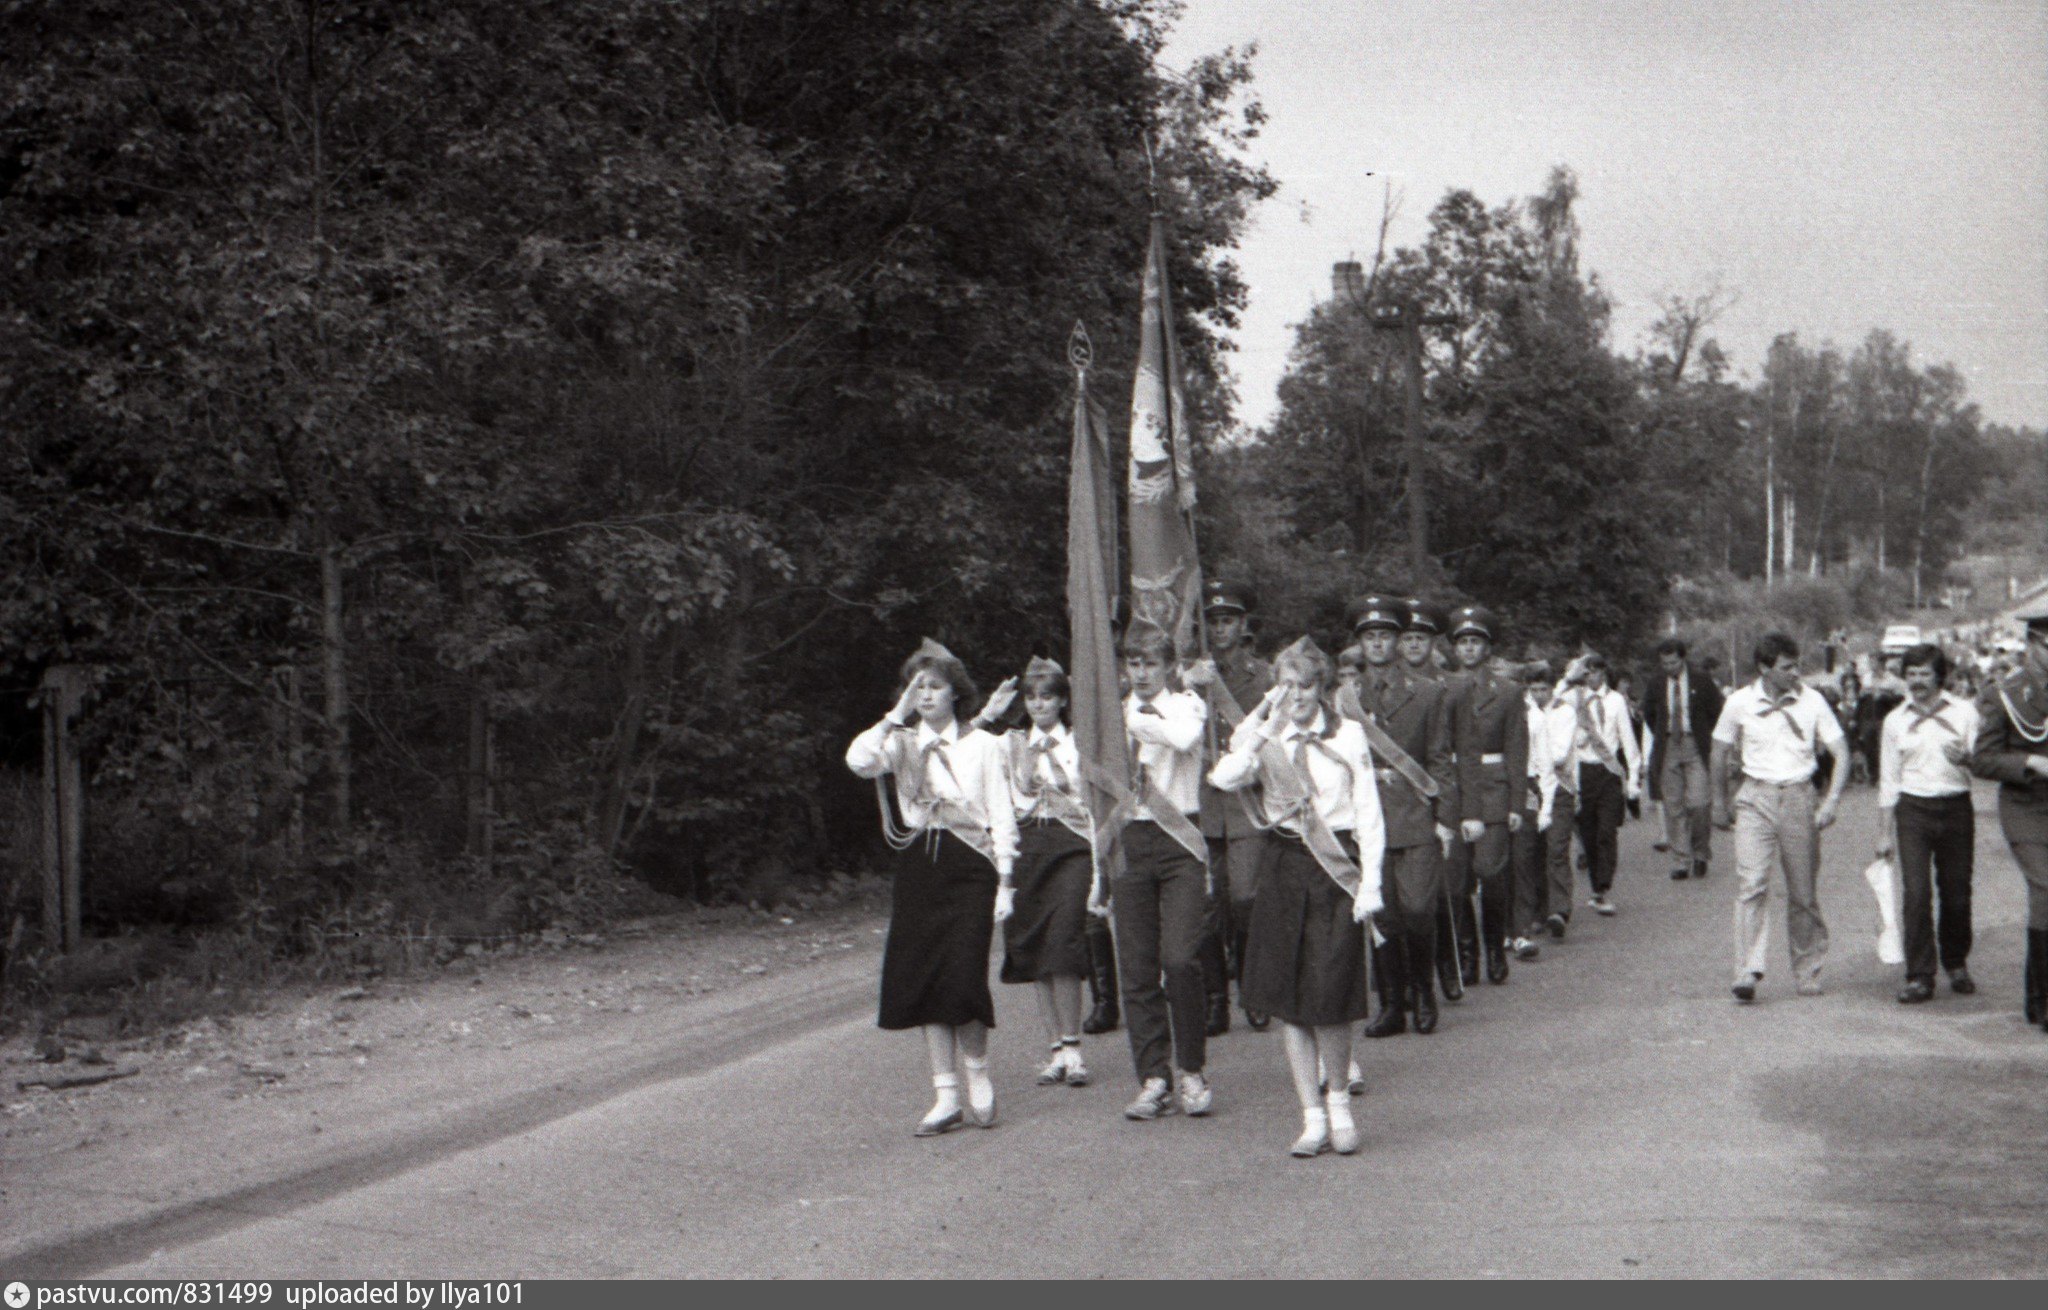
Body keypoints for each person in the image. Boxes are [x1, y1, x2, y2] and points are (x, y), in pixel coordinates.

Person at [1210, 638, 1386, 1157]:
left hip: (1336, 868)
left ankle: (1338, 1103)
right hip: (1285, 864)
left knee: (1330, 994)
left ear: (1323, 689)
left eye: (1305, 685)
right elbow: (1223, 778)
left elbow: (1369, 811)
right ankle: (1310, 1116)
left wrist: (1371, 884)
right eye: (1286, 685)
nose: (1296, 695)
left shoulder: (1349, 735)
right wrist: (1263, 721)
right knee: (1290, 1000)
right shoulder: (1266, 735)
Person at [845, 640, 1020, 1136]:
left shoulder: (983, 744)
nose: (925, 694)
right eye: (916, 686)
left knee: (963, 976)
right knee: (925, 977)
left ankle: (978, 1076)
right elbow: (858, 760)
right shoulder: (900, 743)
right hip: (921, 863)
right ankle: (945, 1096)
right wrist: (893, 714)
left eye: (934, 685)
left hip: (972, 866)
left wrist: (1006, 880)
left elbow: (1001, 815)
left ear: (954, 693)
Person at [1112, 621, 1216, 1119]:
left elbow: (1181, 738)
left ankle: (1192, 1068)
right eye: (1134, 663)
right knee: (1136, 966)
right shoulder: (1113, 711)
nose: (1142, 673)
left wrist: (1127, 724)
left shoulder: (1187, 703)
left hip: (1179, 838)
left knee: (1179, 958)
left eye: (1151, 663)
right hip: (1131, 836)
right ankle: (1154, 1076)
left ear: (1170, 667)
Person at [1711, 632, 1849, 1003]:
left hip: (1799, 797)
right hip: (1754, 797)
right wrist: (1718, 801)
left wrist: (1831, 800)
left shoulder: (1813, 701)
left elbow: (1841, 750)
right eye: (1788, 667)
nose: (1796, 673)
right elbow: (1720, 748)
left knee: (1802, 892)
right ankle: (1746, 970)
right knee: (1751, 884)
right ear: (1764, 669)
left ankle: (1807, 970)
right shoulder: (1739, 702)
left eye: (1797, 665)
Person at [984, 658, 1101, 1083]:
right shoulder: (1009, 743)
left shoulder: (1080, 742)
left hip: (1071, 846)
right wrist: (990, 713)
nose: (1039, 705)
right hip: (1028, 847)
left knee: (1064, 941)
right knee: (1034, 945)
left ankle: (1074, 1049)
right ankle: (1055, 1050)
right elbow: (965, 747)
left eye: (1048, 696)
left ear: (1063, 699)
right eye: (1032, 698)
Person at [1348, 596, 1459, 1038]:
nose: (1377, 644)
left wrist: (1444, 818)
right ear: (1359, 643)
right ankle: (1392, 1004)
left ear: (1398, 641)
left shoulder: (1428, 693)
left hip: (1414, 816)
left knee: (1417, 910)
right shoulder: (1346, 697)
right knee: (1384, 915)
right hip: (1366, 816)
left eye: (1385, 636)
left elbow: (1439, 761)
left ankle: (1424, 991)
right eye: (1369, 636)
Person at [1181, 578, 1275, 1035]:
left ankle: (1255, 989)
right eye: (1213, 622)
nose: (1220, 630)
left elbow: (1267, 737)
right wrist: (1192, 685)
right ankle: (1215, 998)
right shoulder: (1186, 676)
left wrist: (1216, 686)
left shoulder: (1265, 676)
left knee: (1245, 898)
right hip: (1198, 799)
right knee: (1205, 903)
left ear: (1243, 625)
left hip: (1244, 799)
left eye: (1228, 621)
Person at [1876, 644, 1981, 1004]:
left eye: (1923, 673)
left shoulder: (1965, 713)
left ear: (1940, 675)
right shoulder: (1895, 721)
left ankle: (1955, 961)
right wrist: (1882, 833)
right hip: (1913, 810)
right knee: (1916, 893)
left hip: (1955, 808)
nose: (1916, 681)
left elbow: (1984, 763)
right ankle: (1920, 975)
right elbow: (1889, 780)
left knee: (1956, 892)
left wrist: (1966, 758)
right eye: (1911, 674)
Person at [1970, 606, 2048, 1034]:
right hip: (2027, 806)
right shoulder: (2007, 694)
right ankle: (2044, 998)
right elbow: (1982, 759)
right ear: (2033, 644)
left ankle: (2036, 998)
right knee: (2046, 889)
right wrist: (2031, 762)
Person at [1444, 605, 1529, 984]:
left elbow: (1516, 748)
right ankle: (1468, 955)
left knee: (1491, 872)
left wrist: (1516, 803)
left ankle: (1496, 947)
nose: (1468, 649)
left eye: (1475, 642)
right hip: (1456, 789)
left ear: (1488, 648)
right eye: (1462, 642)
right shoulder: (1440, 689)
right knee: (1457, 879)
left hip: (1494, 788)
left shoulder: (1508, 692)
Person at [1554, 652, 1642, 917]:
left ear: (1603, 672)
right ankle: (1595, 888)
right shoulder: (1572, 698)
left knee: (1607, 831)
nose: (1590, 676)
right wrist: (1567, 678)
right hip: (1581, 772)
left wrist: (1634, 778)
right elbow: (1551, 702)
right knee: (1589, 834)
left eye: (1595, 671)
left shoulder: (1615, 700)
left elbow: (1628, 740)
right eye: (1585, 672)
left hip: (1609, 772)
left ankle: (1602, 887)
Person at [1644, 638, 1726, 881]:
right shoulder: (1657, 682)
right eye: (1665, 663)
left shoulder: (1701, 680)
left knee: (1700, 803)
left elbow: (1716, 712)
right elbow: (1649, 713)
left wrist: (1704, 736)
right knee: (1673, 805)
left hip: (1695, 745)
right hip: (1669, 745)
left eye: (1673, 662)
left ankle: (1700, 852)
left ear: (1683, 658)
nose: (1669, 667)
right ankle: (1681, 859)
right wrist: (1664, 734)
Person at [1509, 660, 1563, 959]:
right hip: (1495, 789)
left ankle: (1523, 926)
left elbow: (1545, 765)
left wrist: (1546, 808)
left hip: (1528, 788)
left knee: (1524, 860)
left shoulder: (1535, 719)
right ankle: (1505, 926)